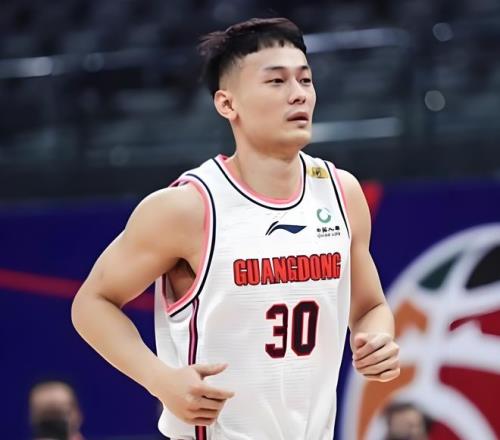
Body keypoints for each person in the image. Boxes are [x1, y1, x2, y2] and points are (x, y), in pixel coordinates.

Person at [71, 17, 400, 440]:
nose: (298, 94)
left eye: (305, 79)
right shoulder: (188, 207)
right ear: (227, 104)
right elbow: (91, 303)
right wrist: (161, 380)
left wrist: (378, 339)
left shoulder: (341, 193)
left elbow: (370, 307)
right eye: (276, 81)